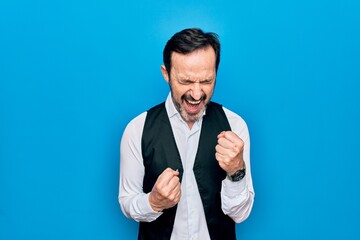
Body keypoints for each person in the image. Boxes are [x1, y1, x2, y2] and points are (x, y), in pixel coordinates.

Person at [118, 28, 255, 240]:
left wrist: (237, 171)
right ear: (167, 74)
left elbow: (240, 214)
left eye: (207, 81)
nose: (197, 93)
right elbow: (127, 202)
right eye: (186, 81)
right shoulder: (137, 129)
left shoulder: (235, 126)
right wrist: (153, 202)